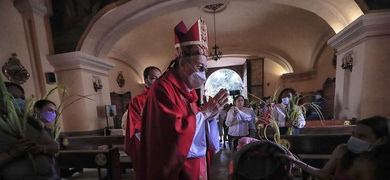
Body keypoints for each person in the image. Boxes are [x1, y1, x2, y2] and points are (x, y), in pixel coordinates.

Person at [138, 17, 229, 180]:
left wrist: (210, 117)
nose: (203, 73)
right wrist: (205, 114)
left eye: (205, 69)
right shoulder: (162, 88)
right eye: (200, 67)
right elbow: (171, 135)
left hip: (194, 166)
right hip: (177, 172)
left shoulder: (188, 92)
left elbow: (196, 122)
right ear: (182, 64)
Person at [282, 115, 390, 179]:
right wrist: (296, 161)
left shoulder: (383, 164)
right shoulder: (343, 151)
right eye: (353, 135)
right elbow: (323, 174)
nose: (354, 139)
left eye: (362, 136)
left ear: (381, 140)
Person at [0, 85, 59, 179]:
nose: (19, 101)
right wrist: (12, 152)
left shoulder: (30, 122)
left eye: (22, 98)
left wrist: (41, 148)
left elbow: (55, 147)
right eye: (13, 97)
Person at [124, 66, 161, 177]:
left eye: (160, 78)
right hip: (147, 145)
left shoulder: (165, 97)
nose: (157, 81)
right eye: (154, 78)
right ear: (146, 80)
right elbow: (136, 125)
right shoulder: (137, 101)